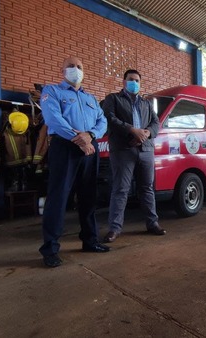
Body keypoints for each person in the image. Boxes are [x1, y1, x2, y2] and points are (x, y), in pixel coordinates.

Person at [38, 56, 109, 268]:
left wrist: (91, 135)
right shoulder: (51, 91)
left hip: (90, 147)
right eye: (71, 66)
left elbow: (102, 121)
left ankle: (90, 241)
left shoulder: (91, 98)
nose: (75, 69)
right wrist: (78, 138)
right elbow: (53, 119)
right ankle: (50, 249)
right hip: (65, 147)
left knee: (88, 196)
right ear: (62, 71)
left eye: (79, 66)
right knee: (58, 198)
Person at [102, 69, 165, 243]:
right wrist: (131, 131)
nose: (134, 83)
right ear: (124, 82)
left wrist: (146, 133)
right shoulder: (113, 99)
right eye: (131, 80)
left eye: (137, 80)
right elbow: (109, 118)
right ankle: (114, 229)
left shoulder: (146, 103)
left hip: (145, 150)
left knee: (147, 188)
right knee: (121, 189)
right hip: (123, 150)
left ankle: (152, 223)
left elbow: (155, 122)